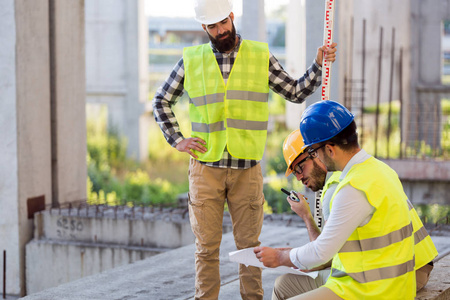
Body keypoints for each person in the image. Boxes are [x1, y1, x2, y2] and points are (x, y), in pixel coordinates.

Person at [151, 0, 337, 298]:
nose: (220, 30)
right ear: (204, 28)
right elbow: (160, 101)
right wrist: (177, 139)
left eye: (223, 22)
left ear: (232, 17)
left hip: (246, 170)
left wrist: (318, 64)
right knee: (206, 249)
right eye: (213, 26)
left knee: (251, 249)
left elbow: (295, 91)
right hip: (205, 169)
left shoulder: (258, 56)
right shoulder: (192, 59)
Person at [255, 100, 418, 299]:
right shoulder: (380, 170)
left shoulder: (353, 188)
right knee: (285, 286)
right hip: (381, 283)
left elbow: (321, 252)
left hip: (371, 291)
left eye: (314, 152)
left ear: (330, 150)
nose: (316, 158)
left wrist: (280, 257)